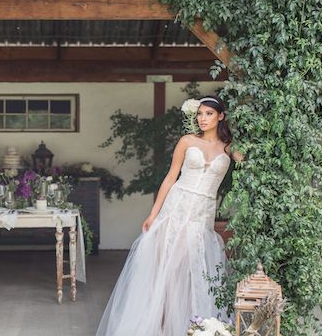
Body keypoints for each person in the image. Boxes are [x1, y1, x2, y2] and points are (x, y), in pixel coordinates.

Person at [96, 96, 243, 336]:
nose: (203, 119)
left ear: (221, 116)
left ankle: (192, 325)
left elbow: (252, 166)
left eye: (208, 114)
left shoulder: (229, 146)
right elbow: (170, 177)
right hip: (176, 209)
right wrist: (153, 214)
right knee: (167, 269)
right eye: (200, 114)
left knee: (192, 270)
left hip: (202, 214)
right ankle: (161, 325)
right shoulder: (187, 141)